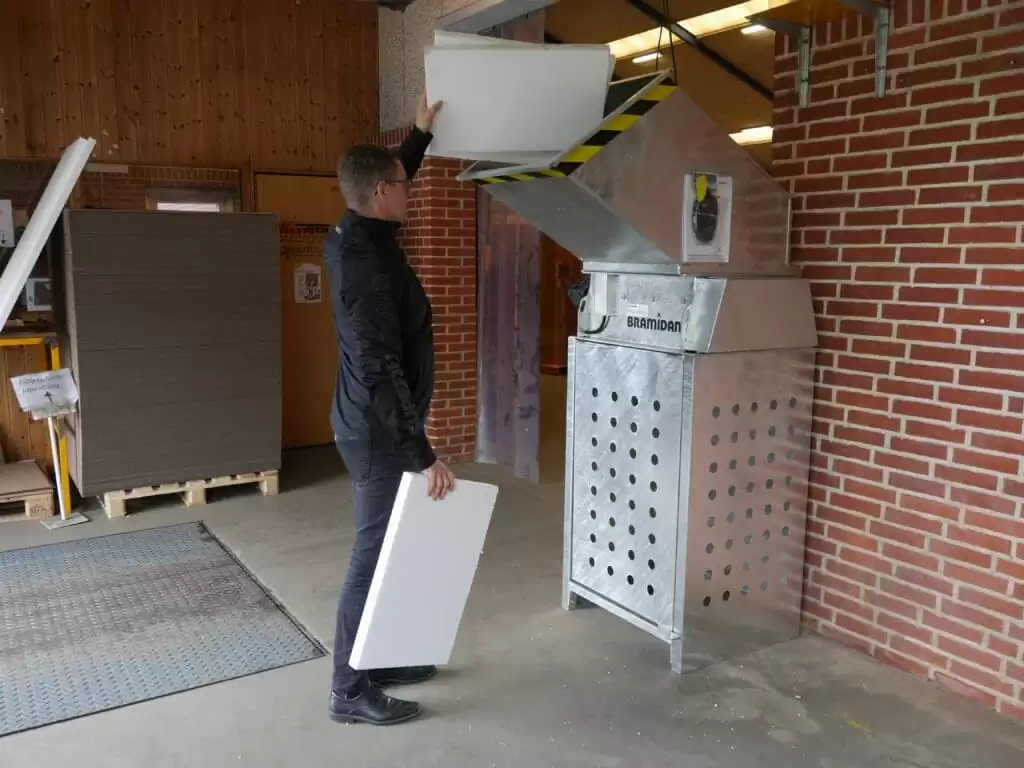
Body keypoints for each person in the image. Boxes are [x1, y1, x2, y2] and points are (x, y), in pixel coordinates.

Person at [323, 92, 456, 726]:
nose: (412, 192)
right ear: (381, 193)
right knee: (371, 555)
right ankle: (349, 690)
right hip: (376, 432)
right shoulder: (367, 267)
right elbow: (380, 369)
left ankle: (374, 659)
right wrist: (421, 454)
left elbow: (390, 173)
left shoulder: (358, 230)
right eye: (404, 185)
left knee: (386, 549)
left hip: (367, 422)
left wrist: (419, 136)